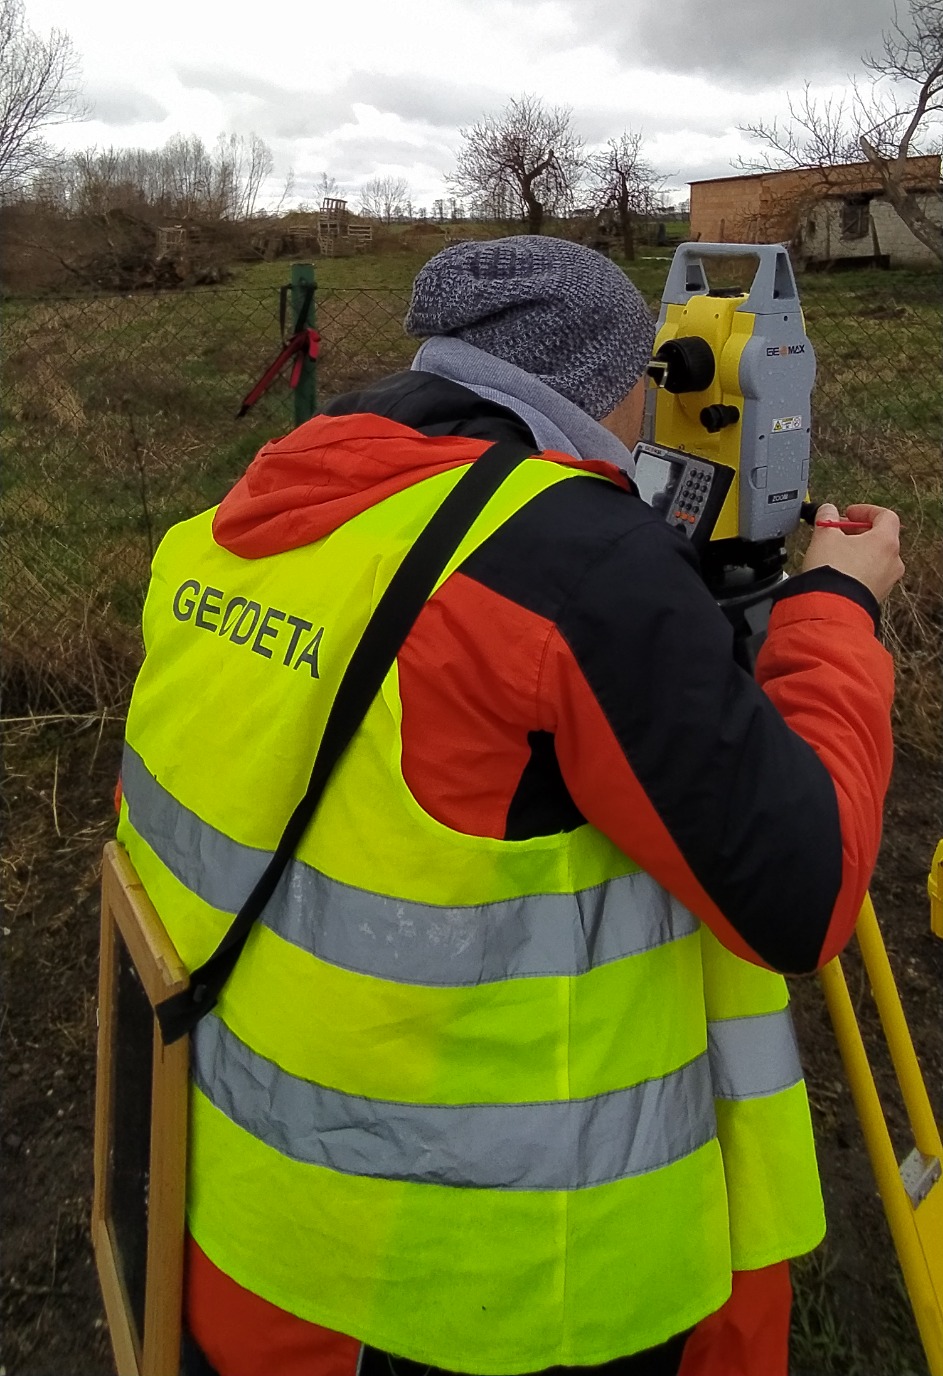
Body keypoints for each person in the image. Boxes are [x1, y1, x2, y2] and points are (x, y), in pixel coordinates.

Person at [116, 236, 902, 1376]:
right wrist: (833, 607)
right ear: (612, 381)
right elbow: (804, 890)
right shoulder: (571, 569)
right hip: (475, 1292)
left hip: (236, 1227)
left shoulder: (238, 524)